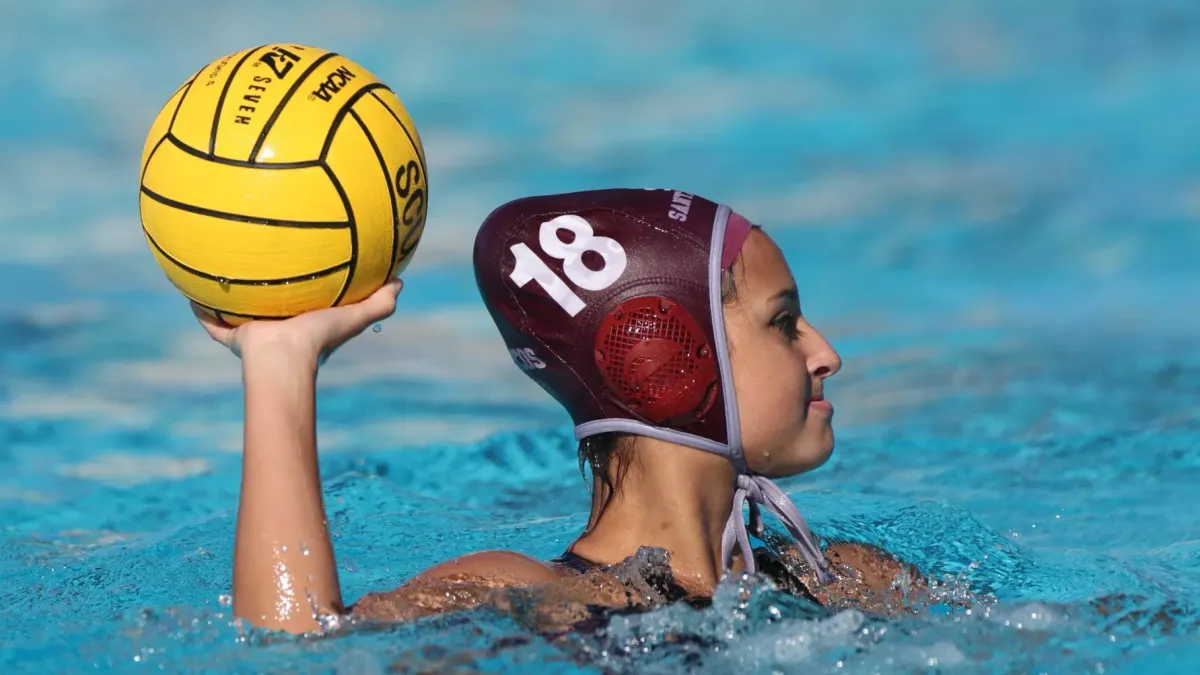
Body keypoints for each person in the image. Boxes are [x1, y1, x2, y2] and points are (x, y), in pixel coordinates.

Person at [193, 188, 924, 635]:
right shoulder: (522, 596)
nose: (825, 352)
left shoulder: (850, 580)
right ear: (666, 356)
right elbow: (295, 647)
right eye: (784, 320)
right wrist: (281, 364)